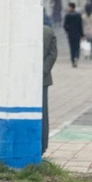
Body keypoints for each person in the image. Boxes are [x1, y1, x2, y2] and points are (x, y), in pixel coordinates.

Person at [42, 20, 58, 153]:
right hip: (43, 78)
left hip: (23, 80)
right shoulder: (48, 31)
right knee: (43, 112)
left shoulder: (19, 31)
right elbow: (53, 54)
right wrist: (43, 70)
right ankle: (43, 144)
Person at [62, 2, 84, 67]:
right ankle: (76, 57)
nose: (68, 8)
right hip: (77, 34)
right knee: (77, 47)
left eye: (68, 7)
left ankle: (73, 60)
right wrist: (82, 34)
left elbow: (65, 25)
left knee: (72, 48)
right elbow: (80, 25)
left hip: (71, 34)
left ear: (71, 7)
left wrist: (67, 31)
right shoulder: (78, 15)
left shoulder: (67, 15)